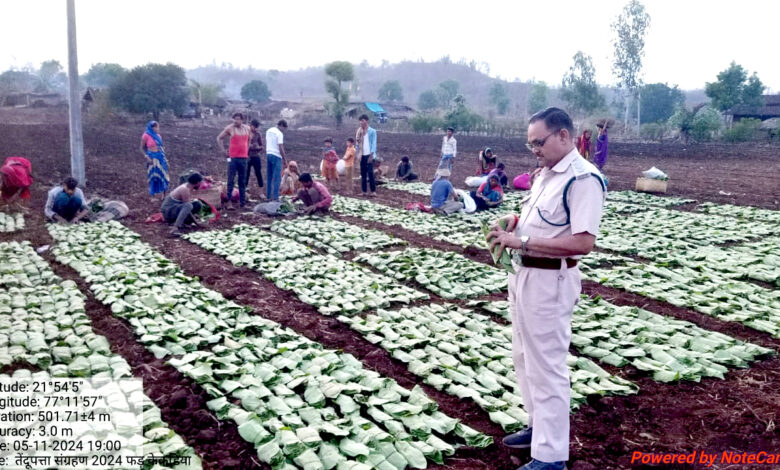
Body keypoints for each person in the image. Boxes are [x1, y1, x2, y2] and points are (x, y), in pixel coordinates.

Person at [487, 107, 606, 470]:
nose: (534, 149)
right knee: (524, 356)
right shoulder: (545, 176)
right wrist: (514, 222)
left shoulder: (583, 179)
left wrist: (519, 240)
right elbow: (540, 222)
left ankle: (551, 456)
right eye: (530, 144)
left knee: (548, 365)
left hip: (550, 280)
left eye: (539, 142)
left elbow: (583, 242)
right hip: (525, 275)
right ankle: (538, 426)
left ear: (564, 136)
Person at [216, 113, 251, 209]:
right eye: (235, 119)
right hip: (233, 158)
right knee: (230, 180)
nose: (236, 121)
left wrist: (247, 151)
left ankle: (242, 203)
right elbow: (219, 138)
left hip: (243, 158)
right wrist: (223, 150)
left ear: (242, 120)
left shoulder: (247, 128)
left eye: (238, 119)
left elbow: (248, 141)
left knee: (242, 181)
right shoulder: (230, 128)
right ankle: (229, 202)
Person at [160, 173, 204, 237]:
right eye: (200, 182)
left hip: (174, 208)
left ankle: (183, 222)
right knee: (189, 205)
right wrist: (197, 223)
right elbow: (187, 207)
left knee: (197, 204)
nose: (201, 184)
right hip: (168, 212)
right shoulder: (185, 189)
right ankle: (175, 228)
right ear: (197, 182)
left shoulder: (188, 187)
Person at [140, 120, 170, 200]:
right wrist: (147, 156)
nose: (157, 128)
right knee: (153, 176)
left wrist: (165, 159)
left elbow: (161, 148)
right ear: (151, 127)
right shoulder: (146, 135)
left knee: (164, 175)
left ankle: (164, 195)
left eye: (158, 127)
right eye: (155, 127)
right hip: (152, 158)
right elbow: (142, 148)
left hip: (160, 157)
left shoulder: (158, 136)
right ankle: (152, 196)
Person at [355, 114, 377, 197]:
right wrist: (357, 154)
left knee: (370, 173)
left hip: (369, 154)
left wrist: (371, 155)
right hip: (362, 155)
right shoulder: (359, 132)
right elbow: (357, 144)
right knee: (363, 174)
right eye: (360, 121)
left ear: (367, 121)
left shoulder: (372, 131)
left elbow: (374, 143)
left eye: (363, 120)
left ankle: (373, 191)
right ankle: (364, 191)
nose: (361, 122)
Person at [266, 120, 288, 201]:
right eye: (284, 128)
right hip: (276, 156)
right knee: (277, 177)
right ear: (281, 125)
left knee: (269, 176)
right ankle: (275, 197)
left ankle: (268, 196)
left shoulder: (269, 131)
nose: (283, 130)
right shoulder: (279, 133)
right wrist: (284, 159)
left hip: (269, 154)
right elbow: (280, 147)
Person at [245, 119, 264, 195]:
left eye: (257, 127)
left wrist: (257, 148)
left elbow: (262, 146)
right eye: (255, 127)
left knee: (258, 174)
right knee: (246, 174)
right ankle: (244, 191)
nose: (256, 128)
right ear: (251, 126)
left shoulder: (258, 134)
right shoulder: (246, 133)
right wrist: (250, 146)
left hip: (256, 157)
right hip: (247, 157)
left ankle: (261, 192)